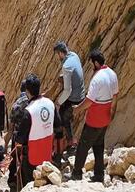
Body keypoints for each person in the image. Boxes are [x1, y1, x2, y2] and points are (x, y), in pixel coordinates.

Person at [71, 49, 119, 182]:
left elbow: (89, 101)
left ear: (96, 63)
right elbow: (115, 97)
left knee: (83, 147)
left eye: (92, 63)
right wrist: (111, 115)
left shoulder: (97, 78)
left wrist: (76, 110)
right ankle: (99, 175)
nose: (92, 66)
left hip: (94, 120)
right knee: (98, 146)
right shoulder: (112, 74)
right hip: (105, 118)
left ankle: (76, 173)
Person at [15, 74, 62, 188]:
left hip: (32, 156)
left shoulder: (28, 111)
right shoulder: (50, 104)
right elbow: (59, 127)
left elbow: (19, 140)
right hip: (47, 153)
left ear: (27, 91)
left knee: (29, 185)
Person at [53, 41, 85, 155]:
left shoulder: (66, 66)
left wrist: (58, 103)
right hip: (82, 92)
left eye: (58, 54)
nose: (58, 57)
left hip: (75, 97)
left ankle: (71, 144)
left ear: (60, 53)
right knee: (64, 112)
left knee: (61, 115)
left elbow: (67, 90)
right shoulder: (74, 55)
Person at [5, 80, 29, 191]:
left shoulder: (16, 105)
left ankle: (13, 182)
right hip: (29, 137)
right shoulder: (33, 101)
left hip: (17, 137)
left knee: (14, 161)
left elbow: (10, 129)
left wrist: (5, 145)